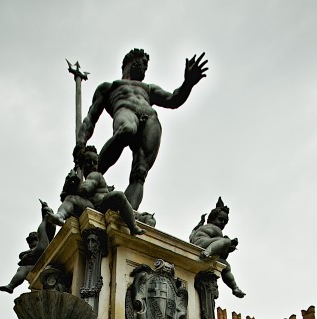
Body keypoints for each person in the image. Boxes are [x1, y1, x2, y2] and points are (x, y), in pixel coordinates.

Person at [75, 49, 208, 210]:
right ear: (132, 62)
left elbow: (173, 99)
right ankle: (93, 177)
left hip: (150, 119)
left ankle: (128, 212)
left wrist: (188, 83)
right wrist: (81, 143)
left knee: (140, 172)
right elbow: (90, 118)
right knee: (127, 129)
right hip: (125, 111)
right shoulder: (109, 87)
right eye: (143, 63)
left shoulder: (149, 89)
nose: (145, 68)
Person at [46, 145, 145, 236]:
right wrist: (70, 184)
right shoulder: (83, 178)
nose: (92, 165)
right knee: (70, 199)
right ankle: (60, 216)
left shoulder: (95, 175)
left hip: (104, 203)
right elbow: (65, 197)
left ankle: (133, 226)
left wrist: (73, 184)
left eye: (95, 162)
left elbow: (86, 189)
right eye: (89, 162)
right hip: (92, 206)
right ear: (82, 164)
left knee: (119, 195)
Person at [190, 198, 246, 298]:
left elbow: (192, 234)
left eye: (225, 222)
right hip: (203, 245)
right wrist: (229, 245)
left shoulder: (201, 228)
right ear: (212, 218)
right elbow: (222, 249)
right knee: (226, 241)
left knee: (225, 266)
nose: (223, 223)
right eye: (220, 219)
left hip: (199, 245)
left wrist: (200, 223)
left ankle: (235, 288)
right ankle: (208, 252)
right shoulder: (215, 229)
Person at [0, 202, 55, 294]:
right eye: (30, 243)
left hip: (45, 254)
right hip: (38, 265)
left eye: (33, 241)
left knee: (43, 226)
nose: (31, 244)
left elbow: (51, 228)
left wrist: (44, 210)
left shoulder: (44, 239)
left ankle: (46, 215)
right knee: (22, 269)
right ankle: (11, 286)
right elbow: (22, 259)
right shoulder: (27, 252)